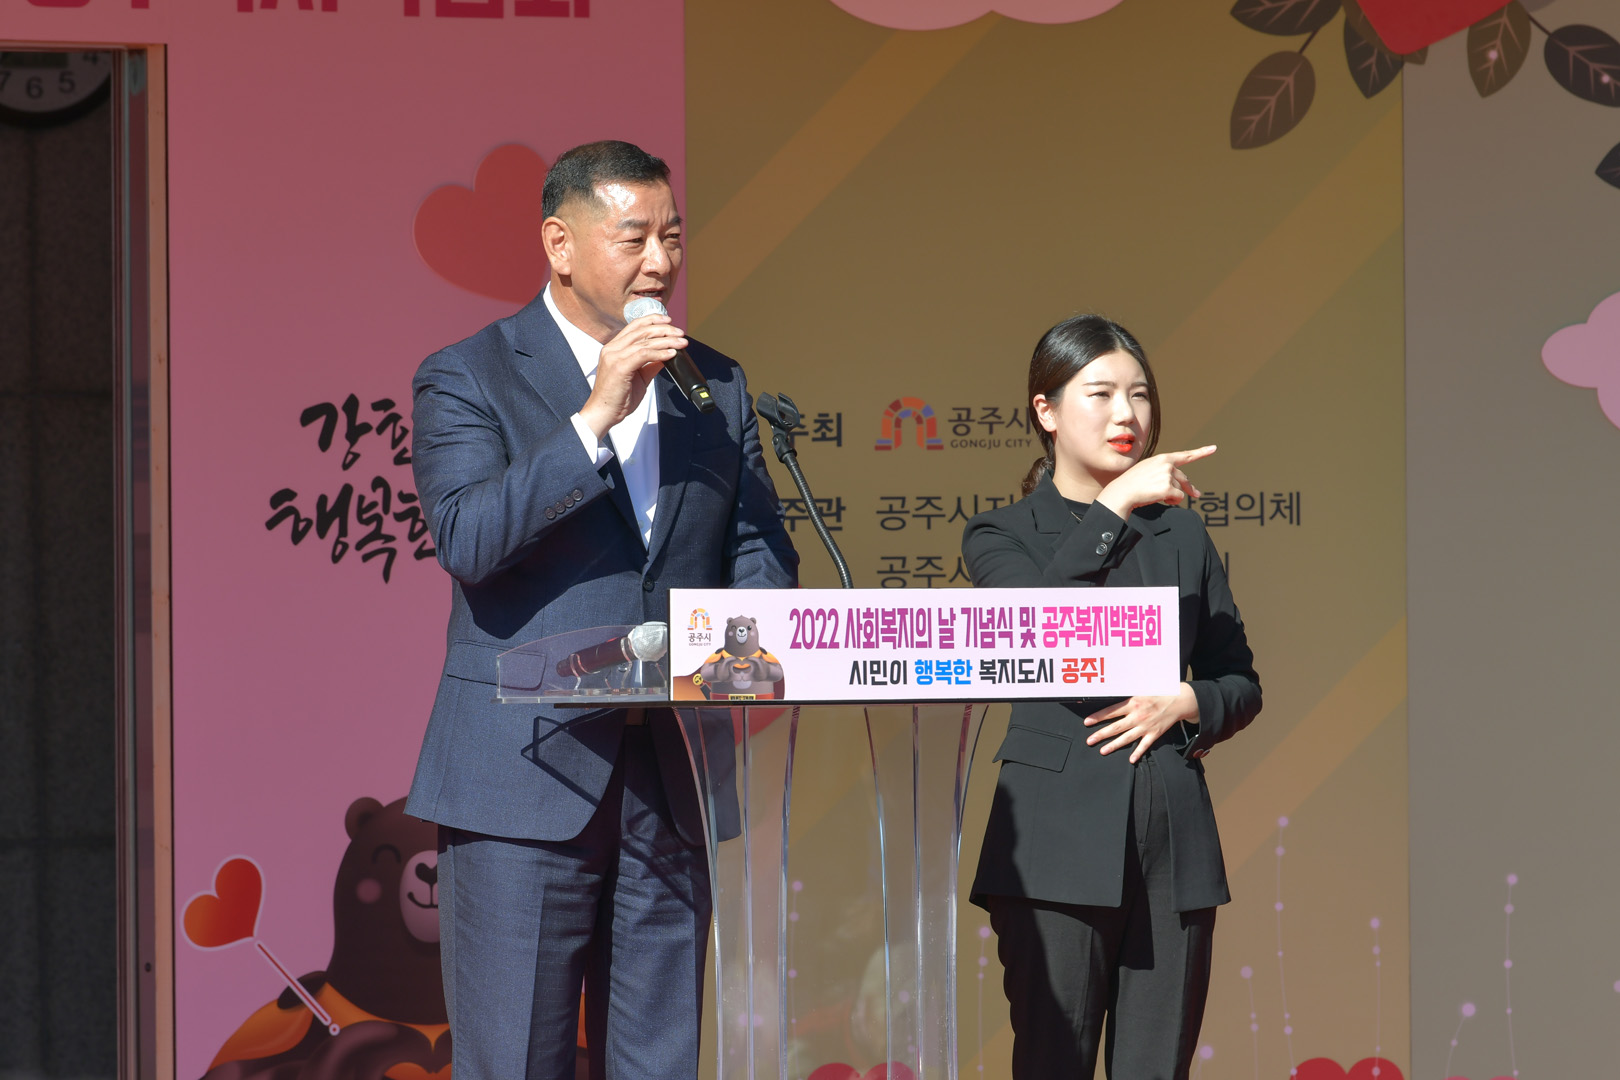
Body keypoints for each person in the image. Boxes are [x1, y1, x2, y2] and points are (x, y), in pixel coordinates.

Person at [404, 140, 799, 1080]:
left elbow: (757, 550)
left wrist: (748, 649)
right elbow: (468, 538)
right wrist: (594, 416)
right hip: (520, 781)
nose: (660, 262)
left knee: (659, 1061)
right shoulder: (470, 374)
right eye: (634, 239)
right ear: (560, 245)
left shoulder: (715, 385)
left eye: (673, 236)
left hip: (671, 776)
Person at [961, 314, 1261, 1079]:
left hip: (1173, 846)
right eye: (1101, 393)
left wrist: (1186, 702)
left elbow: (1238, 679)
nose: (1128, 414)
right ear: (1046, 410)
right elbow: (1038, 629)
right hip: (1053, 847)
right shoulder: (1000, 533)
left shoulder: (1181, 537)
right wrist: (1116, 503)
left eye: (1140, 394)